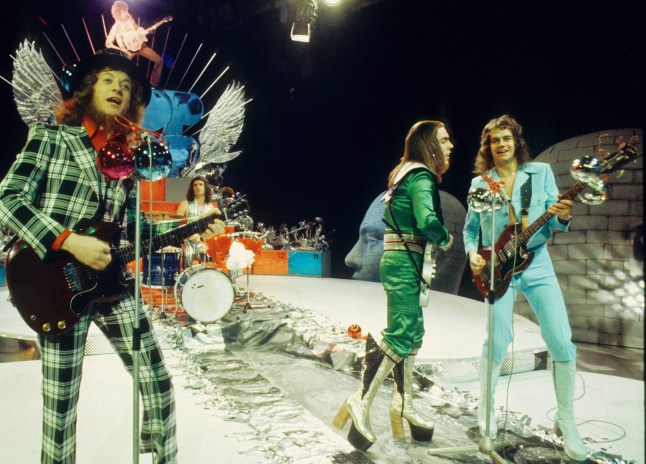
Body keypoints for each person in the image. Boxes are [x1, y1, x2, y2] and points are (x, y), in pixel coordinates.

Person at [0, 50, 181, 463]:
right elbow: (7, 198)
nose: (119, 88)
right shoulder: (50, 139)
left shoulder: (126, 160)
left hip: (112, 284)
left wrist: (179, 233)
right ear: (87, 90)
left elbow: (127, 228)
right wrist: (67, 240)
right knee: (60, 407)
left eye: (126, 85)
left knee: (158, 383)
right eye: (108, 80)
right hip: (54, 286)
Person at [463, 115, 586, 461]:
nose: (501, 145)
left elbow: (556, 222)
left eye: (506, 138)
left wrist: (561, 215)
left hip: (537, 264)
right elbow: (470, 230)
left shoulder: (541, 173)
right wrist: (473, 254)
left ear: (517, 141)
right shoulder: (479, 183)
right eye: (494, 141)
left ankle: (567, 420)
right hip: (496, 268)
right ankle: (486, 415)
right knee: (498, 340)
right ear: (487, 147)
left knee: (561, 340)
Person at [333, 120, 454, 451]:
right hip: (405, 263)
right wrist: (446, 238)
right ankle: (362, 401)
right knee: (402, 334)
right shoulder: (422, 177)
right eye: (444, 140)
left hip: (402, 262)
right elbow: (428, 221)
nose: (450, 146)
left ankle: (405, 403)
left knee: (412, 333)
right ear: (429, 144)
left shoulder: (403, 174)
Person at [105, 0, 163, 87]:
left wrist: (145, 32)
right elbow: (108, 43)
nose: (127, 12)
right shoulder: (116, 27)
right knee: (119, 69)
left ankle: (153, 85)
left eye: (127, 10)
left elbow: (137, 30)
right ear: (120, 12)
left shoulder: (129, 19)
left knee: (159, 60)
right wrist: (122, 50)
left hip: (140, 47)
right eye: (125, 11)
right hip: (129, 51)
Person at [176, 176, 218, 268]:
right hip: (187, 241)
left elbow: (212, 230)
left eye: (200, 184)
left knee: (210, 255)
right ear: (192, 188)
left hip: (204, 241)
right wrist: (187, 236)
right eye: (195, 185)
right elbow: (175, 226)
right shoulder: (185, 204)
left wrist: (203, 238)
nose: (198, 187)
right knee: (188, 254)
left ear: (205, 187)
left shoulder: (210, 208)